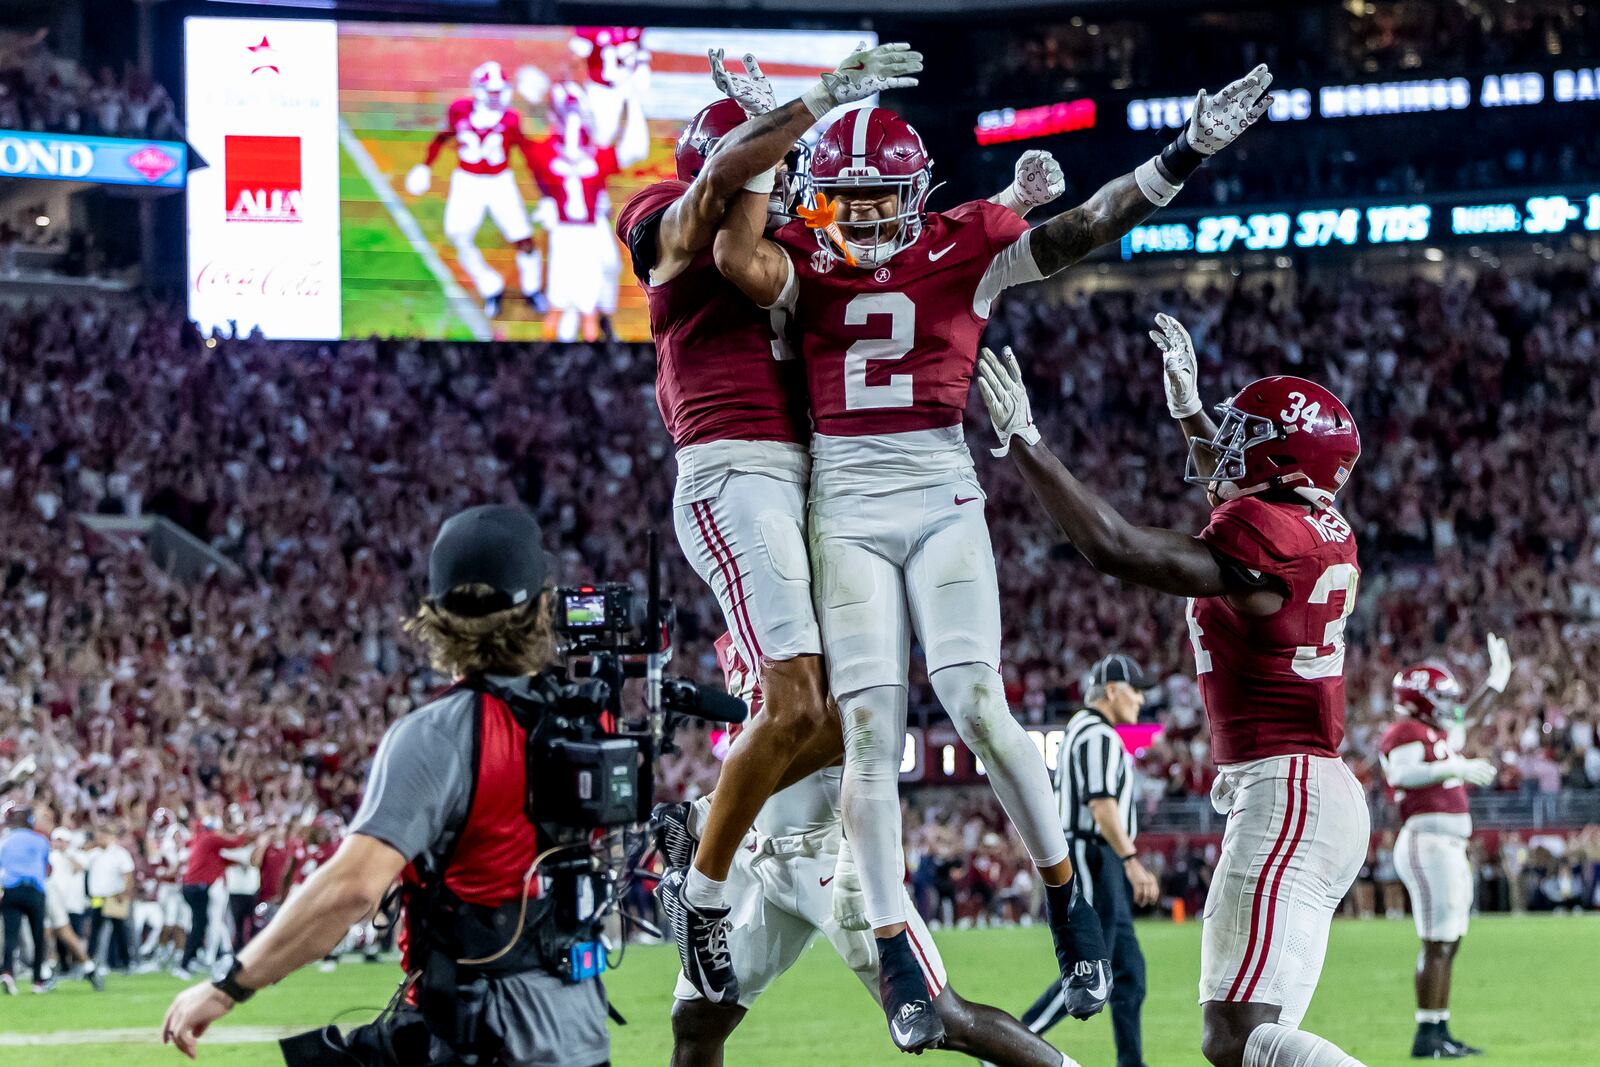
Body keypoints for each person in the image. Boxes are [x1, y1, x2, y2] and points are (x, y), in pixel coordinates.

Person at [714, 62, 1274, 1052]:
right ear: (813, 196)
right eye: (843, 202)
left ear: (918, 196)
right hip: (841, 500)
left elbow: (1082, 228)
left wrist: (1182, 153)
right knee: (873, 727)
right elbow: (724, 240)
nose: (864, 223)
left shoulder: (962, 242)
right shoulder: (795, 249)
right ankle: (894, 947)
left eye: (880, 204)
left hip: (938, 489)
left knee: (979, 703)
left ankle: (1066, 896)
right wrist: (773, 108)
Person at [613, 42, 924, 1009]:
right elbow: (718, 199)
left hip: (812, 481)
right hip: (733, 465)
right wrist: (807, 105)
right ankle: (698, 896)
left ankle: (705, 823)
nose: (780, 189)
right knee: (794, 704)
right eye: (770, 170)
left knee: (844, 719)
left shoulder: (791, 248)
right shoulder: (664, 219)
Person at [972, 315, 1369, 1067]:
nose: (1226, 443)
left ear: (1284, 462)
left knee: (1236, 1037)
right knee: (1258, 1047)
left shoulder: (1269, 535)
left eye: (1244, 435)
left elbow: (1115, 547)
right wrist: (1190, 414)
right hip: (1310, 790)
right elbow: (1232, 501)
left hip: (1286, 789)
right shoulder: (1317, 523)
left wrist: (1025, 440)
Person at [162, 504, 609, 1067]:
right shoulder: (593, 722)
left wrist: (228, 985)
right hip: (579, 1025)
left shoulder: (438, 733)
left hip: (477, 1031)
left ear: (436, 614)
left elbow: (352, 889)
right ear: (544, 607)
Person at [666, 635, 1085, 1067]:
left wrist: (712, 808)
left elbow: (840, 723)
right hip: (756, 852)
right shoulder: (738, 611)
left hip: (828, 847)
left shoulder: (799, 603)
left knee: (944, 1016)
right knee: (696, 1021)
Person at [1377, 640, 1512, 1059]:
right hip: (1426, 840)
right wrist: (1456, 766)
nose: (1448, 705)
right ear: (1420, 699)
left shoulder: (1431, 730)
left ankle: (1440, 1029)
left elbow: (1465, 717)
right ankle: (1426, 1035)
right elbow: (1403, 773)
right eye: (1441, 697)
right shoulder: (1405, 731)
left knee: (1449, 939)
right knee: (1437, 940)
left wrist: (1495, 683)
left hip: (1446, 843)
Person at [1023, 655, 1159, 1067]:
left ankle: (1131, 1063)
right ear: (1113, 690)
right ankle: (1011, 1042)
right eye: (1135, 690)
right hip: (1094, 856)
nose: (1140, 700)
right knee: (1090, 971)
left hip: (1095, 855)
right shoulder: (1098, 735)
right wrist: (1132, 860)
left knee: (1128, 973)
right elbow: (1101, 806)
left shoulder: (1082, 730)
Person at [405, 61, 545, 318]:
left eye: (499, 91)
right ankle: (490, 286)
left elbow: (529, 155)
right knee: (458, 235)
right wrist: (425, 166)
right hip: (467, 181)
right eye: (491, 91)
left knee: (523, 238)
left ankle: (532, 289)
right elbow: (443, 136)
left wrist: (546, 194)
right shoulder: (459, 110)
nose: (496, 97)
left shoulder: (511, 119)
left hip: (500, 181)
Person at [176, 815, 245, 977]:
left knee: (201, 924)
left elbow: (216, 859)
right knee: (199, 926)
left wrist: (235, 863)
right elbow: (235, 843)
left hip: (191, 887)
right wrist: (243, 832)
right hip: (197, 887)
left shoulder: (200, 839)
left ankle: (194, 959)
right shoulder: (210, 839)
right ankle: (185, 963)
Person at [0, 802, 51, 993]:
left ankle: (7, 972)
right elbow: (47, 867)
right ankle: (38, 981)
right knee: (38, 937)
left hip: (11, 890)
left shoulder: (5, 840)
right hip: (33, 890)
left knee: (11, 936)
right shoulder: (40, 840)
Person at [87, 821, 136, 977]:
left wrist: (125, 892)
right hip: (97, 897)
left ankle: (125, 962)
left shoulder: (120, 853)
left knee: (120, 931)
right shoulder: (93, 854)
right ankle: (90, 963)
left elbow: (128, 874)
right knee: (95, 931)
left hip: (114, 897)